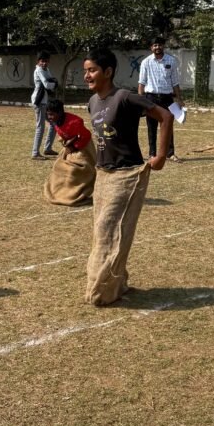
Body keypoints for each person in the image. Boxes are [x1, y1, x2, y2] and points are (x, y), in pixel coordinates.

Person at [83, 48, 172, 306]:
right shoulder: (92, 102)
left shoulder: (124, 97)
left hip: (127, 176)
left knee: (109, 230)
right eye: (85, 71)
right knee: (103, 232)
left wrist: (160, 155)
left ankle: (103, 290)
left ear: (108, 72)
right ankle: (117, 283)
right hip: (103, 175)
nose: (87, 76)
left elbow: (165, 116)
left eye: (92, 70)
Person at [42, 99, 96, 206]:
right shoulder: (56, 121)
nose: (49, 117)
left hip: (83, 147)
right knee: (58, 165)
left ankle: (77, 193)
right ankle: (61, 192)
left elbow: (85, 136)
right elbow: (63, 135)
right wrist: (67, 145)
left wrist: (74, 147)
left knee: (75, 170)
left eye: (52, 114)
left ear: (59, 113)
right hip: (69, 147)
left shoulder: (75, 121)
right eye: (48, 114)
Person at [137, 37, 182, 162]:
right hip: (151, 98)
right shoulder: (146, 62)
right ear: (151, 47)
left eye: (160, 45)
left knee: (168, 125)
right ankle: (152, 154)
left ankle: (170, 153)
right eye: (155, 45)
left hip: (167, 98)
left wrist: (179, 99)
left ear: (163, 46)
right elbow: (141, 83)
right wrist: (141, 101)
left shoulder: (171, 61)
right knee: (151, 127)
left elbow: (175, 82)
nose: (157, 47)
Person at [30, 51, 58, 159]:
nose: (44, 63)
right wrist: (55, 84)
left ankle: (48, 148)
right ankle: (35, 153)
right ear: (38, 61)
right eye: (42, 61)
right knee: (40, 127)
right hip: (39, 101)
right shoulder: (39, 70)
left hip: (45, 101)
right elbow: (47, 84)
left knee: (53, 123)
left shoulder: (47, 70)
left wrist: (53, 83)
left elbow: (51, 80)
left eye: (46, 61)